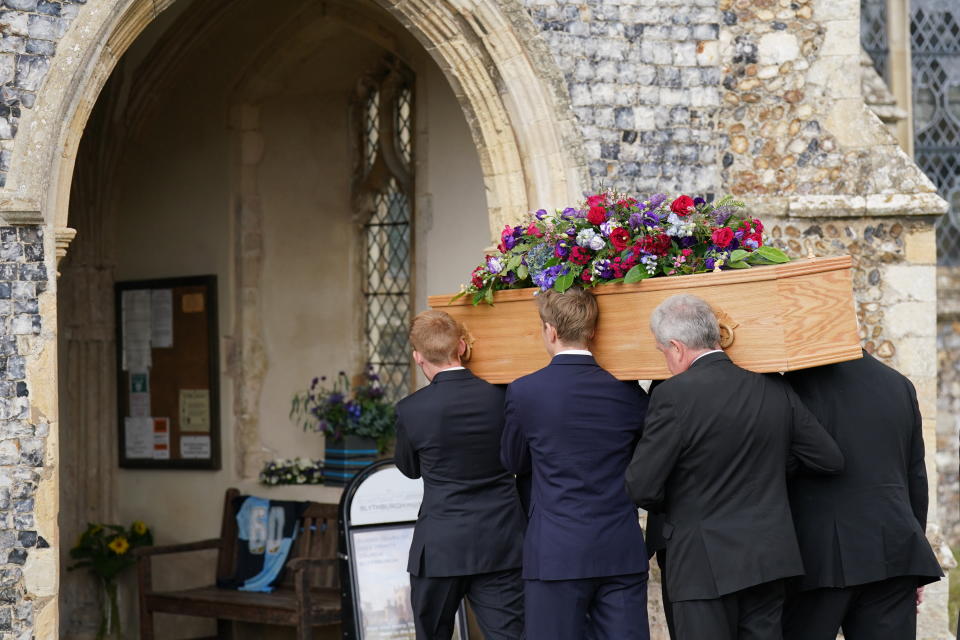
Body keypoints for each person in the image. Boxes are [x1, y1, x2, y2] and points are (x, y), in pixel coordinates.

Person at [625, 294, 844, 640]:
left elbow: (641, 487)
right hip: (769, 559)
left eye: (662, 352)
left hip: (702, 563)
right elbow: (828, 458)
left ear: (677, 347)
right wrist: (770, 467)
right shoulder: (774, 388)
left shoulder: (674, 395)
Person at [501, 287, 650, 640]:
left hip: (555, 552)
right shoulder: (628, 393)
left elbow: (513, 460)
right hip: (619, 549)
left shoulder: (525, 391)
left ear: (550, 330)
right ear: (593, 331)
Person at [781, 350, 943, 640]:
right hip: (895, 552)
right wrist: (913, 555)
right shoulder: (898, 384)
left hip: (818, 560)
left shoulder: (791, 386)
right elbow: (915, 478)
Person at [394, 310, 526, 640]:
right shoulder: (505, 398)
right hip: (501, 541)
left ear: (417, 357)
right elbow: (519, 459)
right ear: (463, 347)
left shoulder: (411, 410)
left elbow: (409, 469)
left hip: (440, 546)